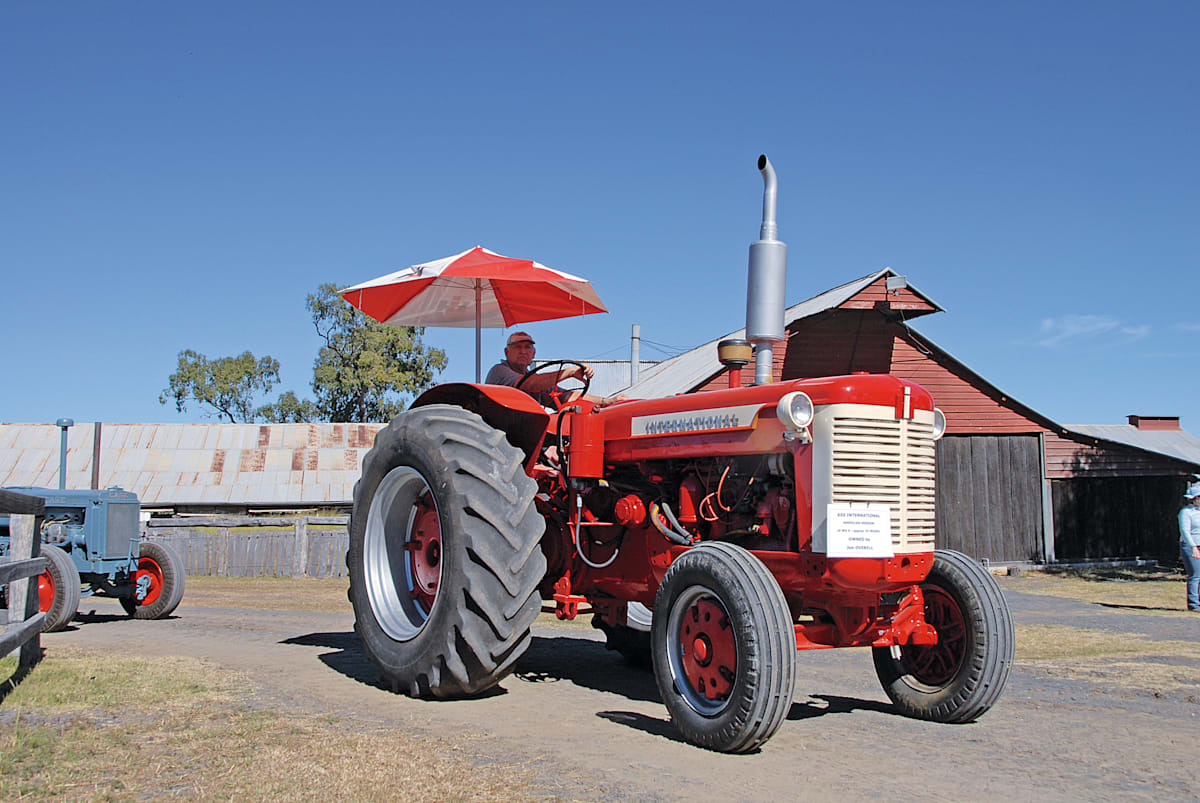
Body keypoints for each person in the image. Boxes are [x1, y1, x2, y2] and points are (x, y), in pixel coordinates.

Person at [485, 331, 624, 408]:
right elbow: (527, 384)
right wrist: (568, 372)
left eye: (527, 347)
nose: (523, 351)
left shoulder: (537, 381)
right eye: (517, 346)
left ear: (533, 354)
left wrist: (608, 401)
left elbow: (566, 396)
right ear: (506, 352)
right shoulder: (499, 371)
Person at [1179, 482, 1200, 612]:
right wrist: (1193, 547)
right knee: (1196, 574)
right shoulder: (1186, 512)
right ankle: (1194, 604)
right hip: (1190, 546)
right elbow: (1185, 531)